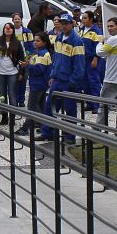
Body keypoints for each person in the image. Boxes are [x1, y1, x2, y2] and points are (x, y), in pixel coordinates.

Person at [45, 13, 85, 144]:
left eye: (66, 23)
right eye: (62, 23)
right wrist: (52, 75)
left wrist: (72, 82)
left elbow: (79, 66)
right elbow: (56, 58)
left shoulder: (76, 41)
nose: (64, 25)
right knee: (49, 107)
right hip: (57, 79)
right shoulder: (59, 37)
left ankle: (69, 136)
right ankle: (47, 132)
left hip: (68, 82)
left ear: (72, 24)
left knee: (70, 110)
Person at [96, 17, 117, 130]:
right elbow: (112, 56)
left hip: (112, 79)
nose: (109, 28)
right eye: (108, 26)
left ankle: (97, 133)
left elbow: (100, 52)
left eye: (112, 26)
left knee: (103, 107)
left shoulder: (113, 40)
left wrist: (100, 42)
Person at [18, 32, 52, 134]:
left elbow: (38, 70)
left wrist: (26, 65)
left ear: (44, 42)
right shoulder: (37, 52)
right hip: (38, 83)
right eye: (34, 40)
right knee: (40, 106)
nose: (35, 43)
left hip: (38, 83)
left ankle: (25, 128)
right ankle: (44, 126)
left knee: (32, 107)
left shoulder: (42, 54)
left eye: (38, 41)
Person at [0, 22, 25, 125]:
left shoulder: (17, 42)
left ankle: (13, 117)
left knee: (12, 95)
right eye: (6, 27)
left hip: (12, 72)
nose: (8, 29)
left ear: (13, 30)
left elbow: (21, 58)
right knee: (2, 96)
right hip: (0, 72)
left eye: (10, 28)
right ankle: (4, 117)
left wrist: (21, 73)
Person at [80, 11, 103, 113]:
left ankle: (96, 105)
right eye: (82, 18)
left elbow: (99, 46)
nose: (83, 20)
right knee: (85, 83)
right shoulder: (82, 30)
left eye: (85, 18)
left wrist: (95, 58)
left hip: (92, 60)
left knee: (93, 82)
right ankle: (89, 103)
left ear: (90, 19)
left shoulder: (96, 31)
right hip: (83, 60)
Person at [11, 13, 34, 107]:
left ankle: (21, 100)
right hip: (13, 59)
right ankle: (15, 100)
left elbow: (31, 46)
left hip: (25, 58)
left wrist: (28, 58)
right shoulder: (10, 31)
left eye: (18, 19)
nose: (17, 21)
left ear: (21, 20)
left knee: (23, 80)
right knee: (15, 80)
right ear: (12, 20)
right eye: (15, 19)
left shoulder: (27, 32)